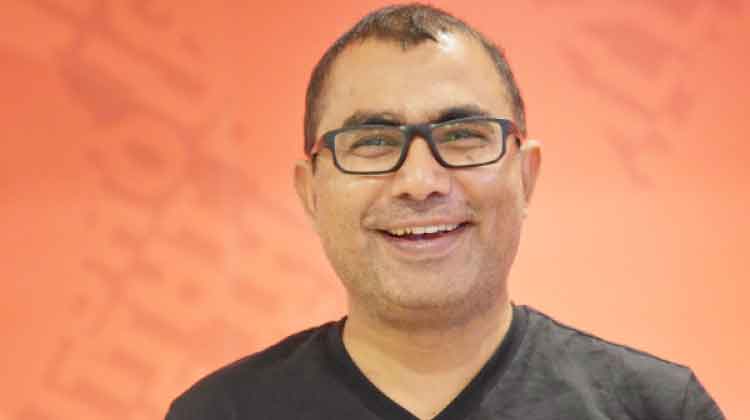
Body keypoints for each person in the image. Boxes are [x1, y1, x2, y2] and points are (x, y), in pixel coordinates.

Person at [165, 4, 724, 419]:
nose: (420, 182)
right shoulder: (220, 413)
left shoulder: (657, 409)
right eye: (374, 142)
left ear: (526, 176)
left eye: (462, 135)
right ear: (310, 191)